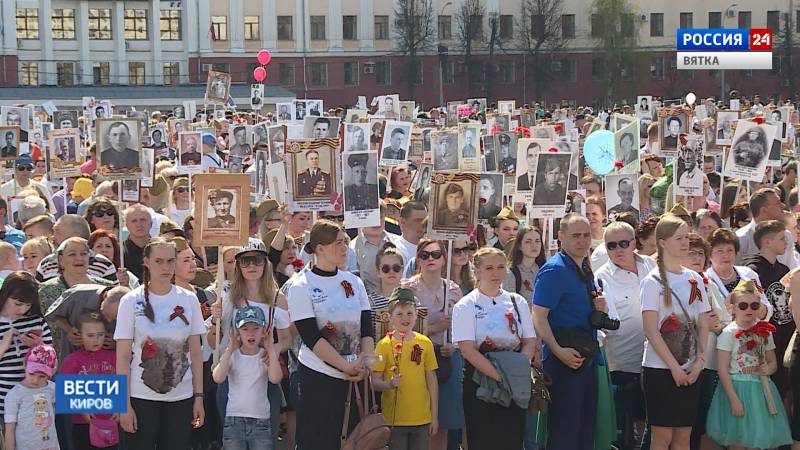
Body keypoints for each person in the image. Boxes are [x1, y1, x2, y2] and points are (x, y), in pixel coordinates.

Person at [286, 221, 374, 450]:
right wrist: (345, 367)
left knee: (355, 442)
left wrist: (365, 363)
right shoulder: (301, 285)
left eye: (345, 242)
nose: (345, 248)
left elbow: (367, 328)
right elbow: (311, 337)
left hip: (356, 376)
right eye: (338, 243)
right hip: (320, 377)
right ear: (319, 248)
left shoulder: (354, 281)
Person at [115, 237, 206, 450]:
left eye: (170, 261)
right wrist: (123, 405)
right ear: (146, 262)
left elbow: (195, 353)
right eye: (158, 261)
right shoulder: (130, 301)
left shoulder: (189, 299)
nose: (165, 267)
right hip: (140, 397)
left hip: (181, 396)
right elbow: (123, 357)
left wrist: (199, 397)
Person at [532, 214, 607, 449]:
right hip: (562, 360)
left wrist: (600, 307)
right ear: (561, 236)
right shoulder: (554, 270)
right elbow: (538, 316)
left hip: (585, 356)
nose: (582, 241)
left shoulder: (584, 266)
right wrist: (557, 350)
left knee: (585, 431)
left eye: (586, 235)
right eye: (576, 236)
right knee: (564, 433)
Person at [453, 247, 537, 449]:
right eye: (489, 268)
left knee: (512, 437)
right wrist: (500, 376)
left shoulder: (517, 301)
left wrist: (516, 371)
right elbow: (467, 349)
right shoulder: (465, 305)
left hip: (514, 376)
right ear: (477, 271)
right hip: (480, 377)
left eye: (500, 267)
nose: (495, 273)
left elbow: (530, 341)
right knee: (483, 438)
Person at [639, 214, 711, 449]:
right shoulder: (652, 282)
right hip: (660, 369)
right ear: (662, 242)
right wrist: (674, 368)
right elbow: (651, 330)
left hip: (691, 367)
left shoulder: (695, 279)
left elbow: (703, 323)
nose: (685, 243)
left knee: (683, 436)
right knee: (662, 437)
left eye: (686, 237)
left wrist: (700, 361)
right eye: (678, 238)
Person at [705, 280, 793, 448]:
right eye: (743, 305)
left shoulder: (764, 331)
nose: (749, 310)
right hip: (736, 389)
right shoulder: (729, 333)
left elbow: (773, 362)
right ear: (733, 308)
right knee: (737, 439)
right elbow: (722, 369)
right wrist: (734, 399)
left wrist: (768, 368)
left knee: (758, 438)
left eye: (754, 305)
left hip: (760, 390)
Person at [594, 221, 655, 450]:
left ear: (634, 243)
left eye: (623, 243)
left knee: (651, 429)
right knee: (625, 435)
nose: (618, 249)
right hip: (621, 366)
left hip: (655, 360)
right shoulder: (600, 278)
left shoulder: (652, 266)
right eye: (611, 245)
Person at [404, 239, 463, 450]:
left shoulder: (454, 289)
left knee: (442, 421)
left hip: (445, 358)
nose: (431, 259)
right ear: (418, 259)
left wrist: (453, 346)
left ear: (444, 259)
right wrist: (435, 328)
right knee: (417, 420)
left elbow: (461, 328)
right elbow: (401, 327)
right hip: (416, 358)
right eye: (425, 254)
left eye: (436, 254)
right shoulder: (407, 289)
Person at [372, 288, 439, 449]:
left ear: (416, 315)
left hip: (421, 418)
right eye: (399, 314)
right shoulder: (383, 345)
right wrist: (389, 384)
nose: (405, 318)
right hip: (394, 420)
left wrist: (434, 416)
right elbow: (374, 382)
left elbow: (432, 381)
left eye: (409, 313)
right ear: (390, 317)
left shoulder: (425, 343)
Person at [212, 305, 283, 450]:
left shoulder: (265, 356)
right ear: (237, 332)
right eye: (245, 329)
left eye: (256, 329)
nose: (251, 334)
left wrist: (271, 349)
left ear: (264, 331)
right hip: (234, 420)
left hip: (261, 421)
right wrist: (229, 349)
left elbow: (275, 379)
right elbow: (218, 378)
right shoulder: (232, 356)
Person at [743, 220, 793, 396]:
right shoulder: (752, 270)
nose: (786, 243)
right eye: (781, 238)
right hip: (767, 341)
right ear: (767, 242)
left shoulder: (784, 269)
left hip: (785, 336)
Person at [59, 312, 118, 449]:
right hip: (84, 424)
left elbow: (123, 386)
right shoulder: (71, 361)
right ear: (79, 335)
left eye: (100, 335)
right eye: (90, 335)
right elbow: (64, 393)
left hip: (111, 422)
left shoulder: (114, 358)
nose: (96, 340)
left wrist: (120, 409)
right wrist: (82, 409)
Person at [0, 272, 53, 417]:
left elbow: (53, 365)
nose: (22, 310)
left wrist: (39, 346)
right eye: (18, 304)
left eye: (28, 305)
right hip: (3, 402)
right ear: (5, 295)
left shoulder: (37, 322)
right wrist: (4, 344)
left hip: (35, 403)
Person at [3, 343, 58, 450]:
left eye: (42, 376)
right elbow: (9, 430)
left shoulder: (53, 389)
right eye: (31, 373)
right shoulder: (14, 395)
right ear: (25, 364)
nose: (35, 380)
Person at [502, 226, 546, 302]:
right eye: (528, 242)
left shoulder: (545, 270)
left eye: (537, 241)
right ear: (519, 246)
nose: (534, 245)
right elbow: (509, 304)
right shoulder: (511, 273)